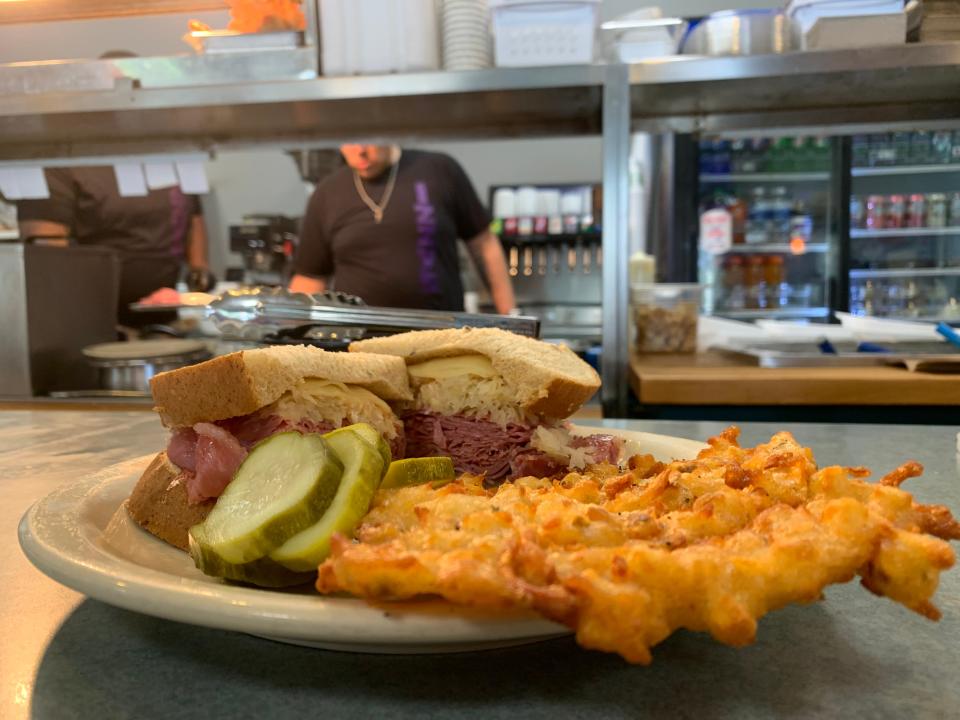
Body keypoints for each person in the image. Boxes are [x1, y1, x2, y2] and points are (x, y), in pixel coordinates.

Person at [289, 145, 515, 314]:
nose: (359, 152)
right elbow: (310, 277)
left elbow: (484, 246)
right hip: (360, 343)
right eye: (349, 141)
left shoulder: (439, 170)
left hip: (442, 335)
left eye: (367, 140)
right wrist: (291, 330)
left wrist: (509, 316)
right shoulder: (328, 192)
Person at [17, 166, 209, 328]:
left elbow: (193, 215)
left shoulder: (166, 159)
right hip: (93, 328)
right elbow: (46, 262)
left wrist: (199, 271)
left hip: (166, 324)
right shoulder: (61, 165)